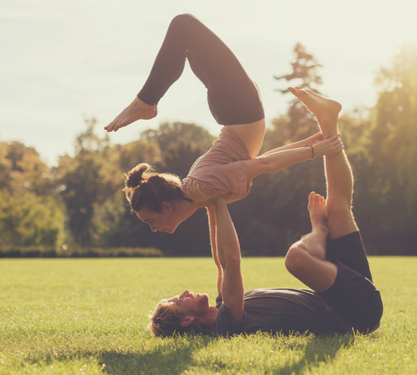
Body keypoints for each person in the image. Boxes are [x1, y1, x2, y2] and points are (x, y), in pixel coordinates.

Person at [146, 87, 382, 337]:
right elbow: (231, 262)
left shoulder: (223, 303)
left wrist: (209, 203)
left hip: (348, 292)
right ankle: (319, 230)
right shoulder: (226, 324)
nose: (184, 293)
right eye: (179, 301)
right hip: (353, 315)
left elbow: (219, 261)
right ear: (187, 320)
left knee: (337, 208)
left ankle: (328, 118)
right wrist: (216, 201)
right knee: (296, 259)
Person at [108, 14, 344, 234]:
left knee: (183, 26)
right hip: (238, 107)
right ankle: (146, 103)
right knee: (186, 41)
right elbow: (258, 162)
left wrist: (313, 151)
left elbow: (265, 164)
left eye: (151, 221)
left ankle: (146, 103)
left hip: (239, 107)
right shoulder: (199, 195)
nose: (153, 228)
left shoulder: (203, 186)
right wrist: (310, 143)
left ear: (167, 206)